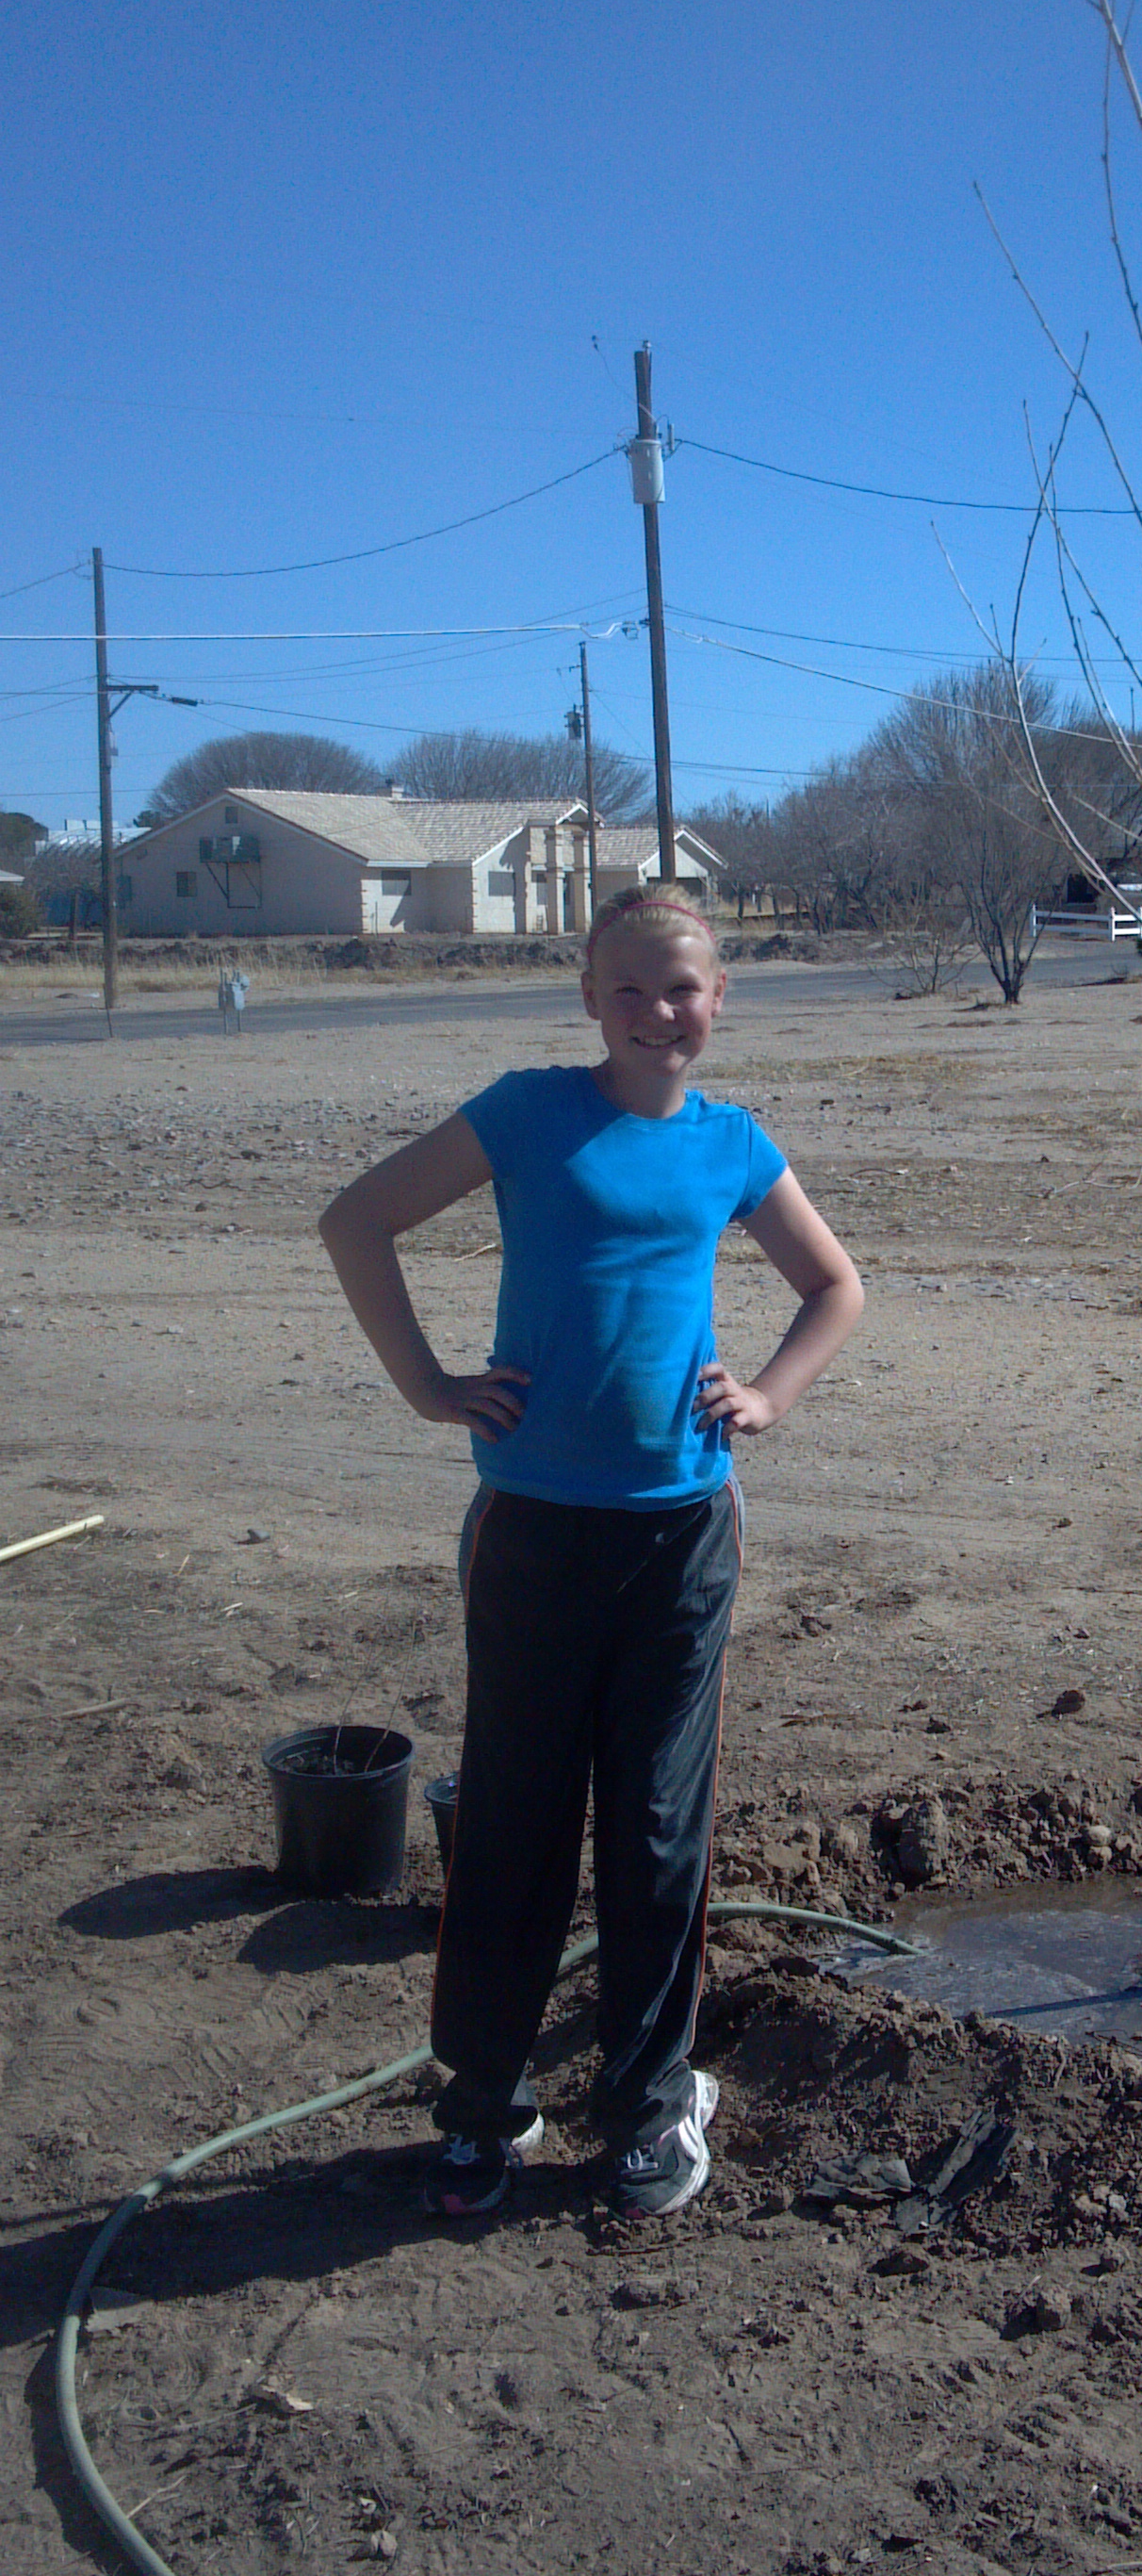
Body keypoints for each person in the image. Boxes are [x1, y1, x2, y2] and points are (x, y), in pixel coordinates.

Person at [318, 888, 862, 2221]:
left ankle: (647, 2108)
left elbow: (834, 1286)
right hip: (534, 1528)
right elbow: (356, 1221)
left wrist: (771, 1398)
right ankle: (483, 2111)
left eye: (680, 989)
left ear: (717, 999)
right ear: (588, 998)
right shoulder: (525, 1114)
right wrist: (430, 1387)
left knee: (659, 1830)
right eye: (628, 989)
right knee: (514, 1819)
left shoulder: (733, 1146)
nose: (656, 1013)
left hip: (680, 1531)